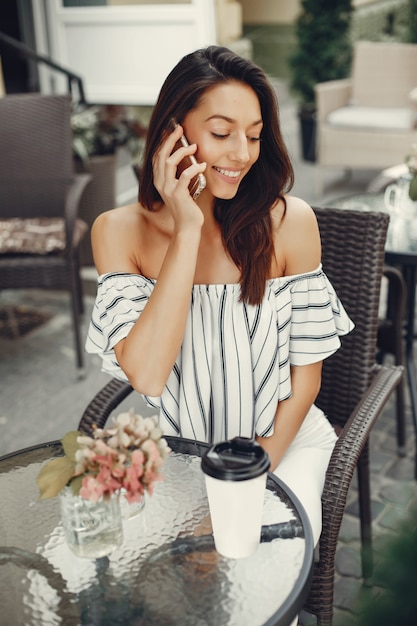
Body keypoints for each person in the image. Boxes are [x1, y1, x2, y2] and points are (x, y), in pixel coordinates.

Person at [86, 45, 354, 548]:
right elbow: (146, 373)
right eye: (221, 133)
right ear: (173, 133)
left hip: (282, 445)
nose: (243, 154)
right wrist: (186, 228)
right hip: (182, 455)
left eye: (253, 136)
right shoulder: (118, 232)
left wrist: (242, 484)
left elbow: (306, 381)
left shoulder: (290, 223)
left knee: (251, 563)